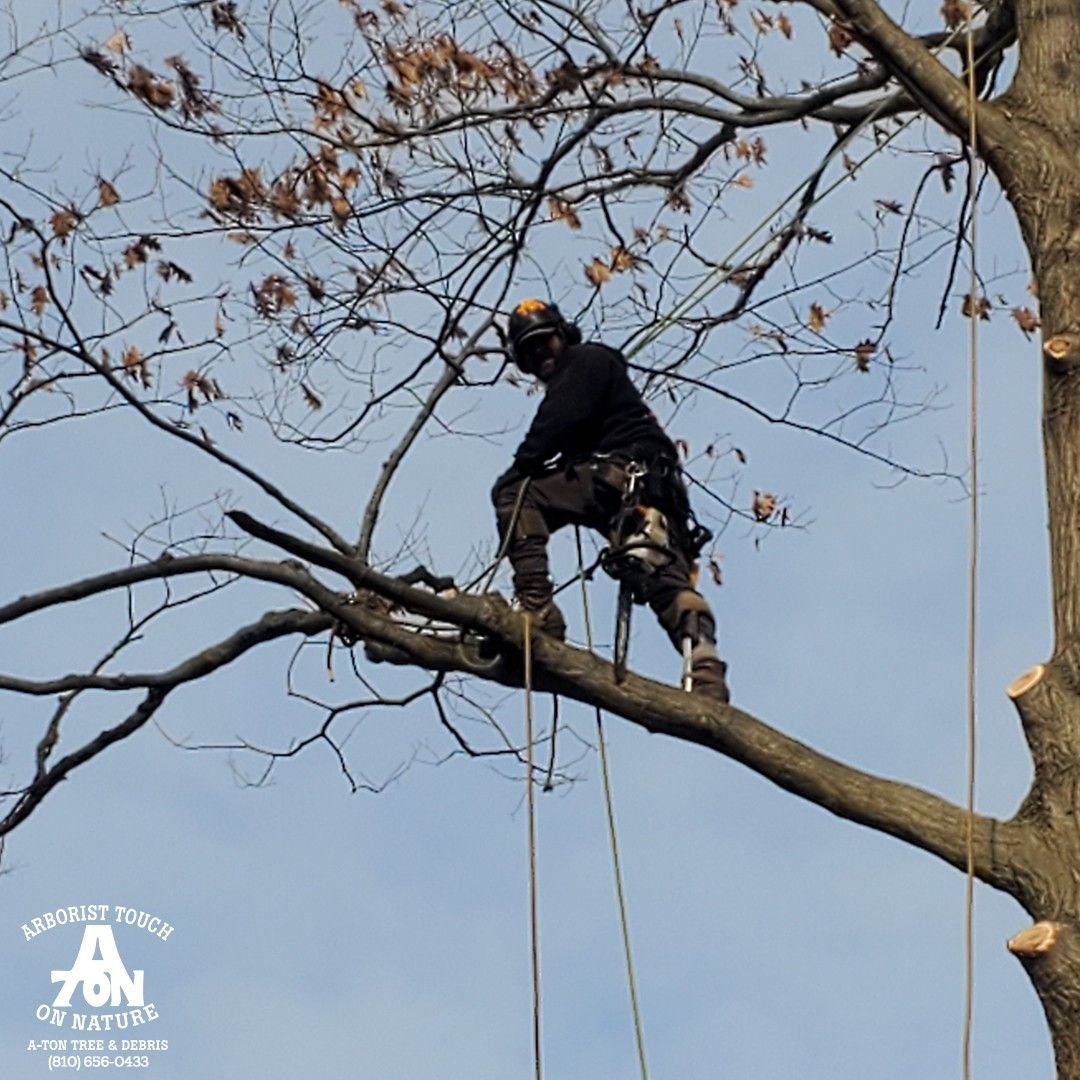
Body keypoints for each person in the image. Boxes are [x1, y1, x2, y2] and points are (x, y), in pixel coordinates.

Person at [490, 298, 730, 702]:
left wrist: (519, 466)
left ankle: (537, 605)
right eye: (528, 352)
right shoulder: (597, 378)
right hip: (648, 491)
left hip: (620, 476)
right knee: (656, 567)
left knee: (515, 494)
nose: (538, 355)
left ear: (562, 336)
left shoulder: (585, 361)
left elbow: (557, 419)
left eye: (543, 343)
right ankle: (705, 666)